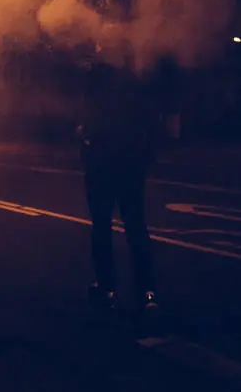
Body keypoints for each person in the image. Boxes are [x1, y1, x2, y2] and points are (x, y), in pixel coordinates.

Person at [77, 53, 161, 316]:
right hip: (130, 164)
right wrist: (144, 156)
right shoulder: (135, 81)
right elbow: (150, 122)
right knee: (136, 227)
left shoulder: (94, 80)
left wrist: (86, 146)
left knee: (102, 227)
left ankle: (107, 288)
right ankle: (147, 292)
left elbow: (85, 122)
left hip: (102, 164)